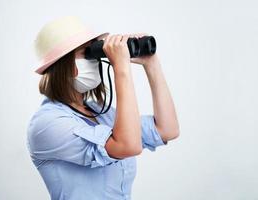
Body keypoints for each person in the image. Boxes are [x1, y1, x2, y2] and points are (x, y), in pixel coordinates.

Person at [27, 16, 180, 200]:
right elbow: (127, 146)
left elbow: (166, 129)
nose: (96, 59)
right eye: (87, 53)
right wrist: (121, 68)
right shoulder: (47, 123)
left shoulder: (100, 112)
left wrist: (151, 64)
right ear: (63, 64)